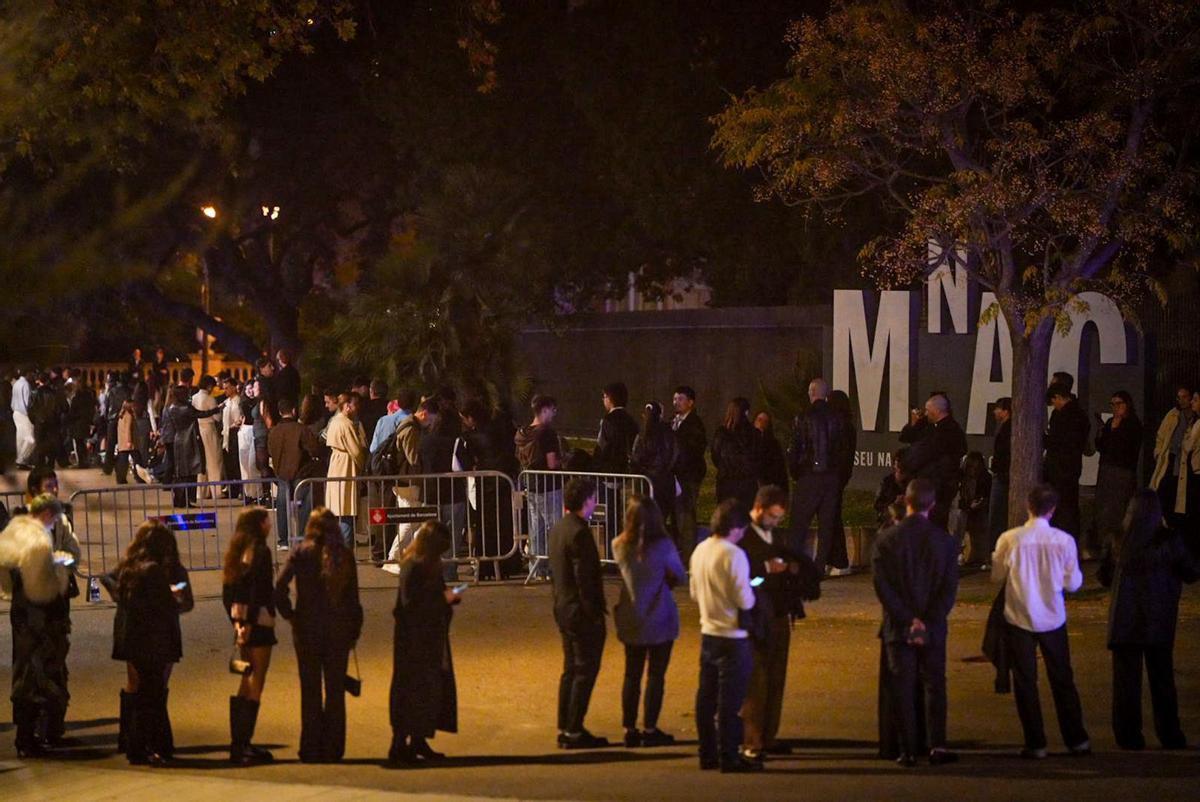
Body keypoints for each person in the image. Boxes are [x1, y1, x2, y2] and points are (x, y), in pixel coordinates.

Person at [991, 484, 1090, 759]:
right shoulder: (1064, 541)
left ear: (1028, 506)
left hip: (1019, 616)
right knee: (1062, 679)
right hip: (1053, 616)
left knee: (1025, 681)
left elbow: (997, 576)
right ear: (1053, 509)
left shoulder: (1010, 539)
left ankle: (1036, 743)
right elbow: (1073, 584)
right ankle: (1076, 739)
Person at [1098, 491, 1198, 750]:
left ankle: (1128, 735)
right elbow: (1191, 572)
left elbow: (1104, 577)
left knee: (1125, 683)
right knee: (1162, 679)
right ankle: (1169, 733)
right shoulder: (1169, 540)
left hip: (1124, 619)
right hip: (1158, 618)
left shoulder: (1117, 540)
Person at [872, 478, 960, 767]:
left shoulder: (886, 540)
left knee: (903, 686)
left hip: (898, 626)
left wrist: (907, 618)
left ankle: (907, 749)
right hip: (933, 625)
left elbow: (883, 587)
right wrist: (927, 620)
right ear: (931, 505)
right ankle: (937, 745)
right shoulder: (945, 542)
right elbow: (948, 589)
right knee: (934, 684)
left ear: (905, 502)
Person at [274, 508, 363, 762]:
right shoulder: (344, 555)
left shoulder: (301, 553)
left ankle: (311, 747)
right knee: (335, 691)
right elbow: (353, 598)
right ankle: (334, 748)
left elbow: (279, 588)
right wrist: (354, 630)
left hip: (307, 629)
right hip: (338, 631)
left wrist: (290, 615)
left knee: (310, 690)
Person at [110, 520, 193, 765]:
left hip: (135, 637)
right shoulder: (152, 570)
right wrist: (174, 597)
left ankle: (135, 741)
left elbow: (111, 581)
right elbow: (167, 605)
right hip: (155, 638)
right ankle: (149, 745)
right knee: (153, 692)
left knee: (144, 689)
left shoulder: (131, 567)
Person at [738, 485, 809, 762]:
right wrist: (767, 571)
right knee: (757, 679)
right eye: (773, 516)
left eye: (779, 517)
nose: (776, 522)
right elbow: (743, 577)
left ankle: (769, 735)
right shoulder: (743, 538)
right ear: (758, 508)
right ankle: (752, 740)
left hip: (779, 615)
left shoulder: (775, 535)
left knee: (776, 677)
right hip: (756, 617)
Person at [690, 499, 759, 773]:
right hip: (733, 635)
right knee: (730, 702)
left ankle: (707, 753)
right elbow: (745, 599)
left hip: (709, 632)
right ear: (735, 528)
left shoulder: (700, 550)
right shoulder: (733, 555)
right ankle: (729, 755)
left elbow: (695, 592)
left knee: (706, 698)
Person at [1, 498, 74, 757]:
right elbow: (41, 588)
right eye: (53, 518)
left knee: (24, 676)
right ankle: (30, 737)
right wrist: (59, 571)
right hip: (37, 618)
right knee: (36, 677)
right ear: (46, 514)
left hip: (22, 613)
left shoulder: (16, 533)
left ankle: (26, 735)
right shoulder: (38, 541)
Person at [612, 495, 686, 748]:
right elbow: (679, 575)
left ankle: (629, 727)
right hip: (659, 616)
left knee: (631, 674)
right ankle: (650, 727)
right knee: (656, 675)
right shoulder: (663, 546)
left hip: (632, 616)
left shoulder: (619, 545)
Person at [388, 520, 462, 764]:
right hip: (414, 639)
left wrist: (447, 598)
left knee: (426, 689)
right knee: (410, 689)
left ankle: (418, 739)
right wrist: (444, 600)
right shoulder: (412, 566)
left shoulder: (428, 564)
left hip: (429, 636)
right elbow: (410, 605)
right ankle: (400, 743)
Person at [550, 477, 608, 749]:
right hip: (579, 612)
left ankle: (566, 725)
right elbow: (585, 577)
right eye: (593, 498)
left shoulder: (560, 528)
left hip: (563, 607)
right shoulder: (580, 532)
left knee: (570, 669)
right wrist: (594, 612)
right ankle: (573, 727)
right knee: (584, 670)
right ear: (586, 501)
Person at [222, 507, 278, 765]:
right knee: (256, 682)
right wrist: (251, 623)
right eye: (266, 519)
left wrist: (236, 622)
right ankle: (244, 744)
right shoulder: (261, 551)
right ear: (259, 524)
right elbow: (258, 589)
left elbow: (229, 591)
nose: (270, 522)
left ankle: (238, 743)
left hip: (241, 623)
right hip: (258, 623)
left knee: (245, 679)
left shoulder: (237, 551)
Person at [788, 378, 850, 576]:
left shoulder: (802, 417)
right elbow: (842, 451)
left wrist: (796, 472)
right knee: (827, 525)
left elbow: (794, 450)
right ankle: (819, 566)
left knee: (799, 524)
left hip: (808, 476)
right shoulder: (838, 419)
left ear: (811, 392)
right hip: (831, 478)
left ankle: (793, 566)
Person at [900, 392, 967, 529]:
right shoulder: (931, 427)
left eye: (928, 410)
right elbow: (906, 437)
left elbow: (924, 453)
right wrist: (915, 423)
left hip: (939, 487)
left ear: (936, 410)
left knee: (935, 524)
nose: (925, 413)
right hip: (933, 484)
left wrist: (909, 463)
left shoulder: (948, 431)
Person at [1090, 391, 1143, 555]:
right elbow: (1102, 446)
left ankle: (1118, 546)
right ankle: (1104, 544)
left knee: (1118, 509)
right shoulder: (1111, 422)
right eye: (1113, 404)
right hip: (1107, 469)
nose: (1115, 407)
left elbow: (1125, 449)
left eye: (1119, 403)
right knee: (1104, 508)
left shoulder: (1133, 424)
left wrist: (1114, 430)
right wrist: (1106, 429)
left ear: (1127, 404)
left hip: (1122, 471)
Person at [516, 394, 562, 580]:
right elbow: (552, 463)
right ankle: (555, 568)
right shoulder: (547, 433)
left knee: (537, 530)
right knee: (555, 528)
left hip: (532, 485)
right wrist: (563, 460)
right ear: (544, 410)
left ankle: (537, 569)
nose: (554, 413)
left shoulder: (523, 433)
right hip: (549, 485)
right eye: (553, 409)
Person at [268, 397, 323, 546]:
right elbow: (315, 449)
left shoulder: (273, 432)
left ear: (280, 412)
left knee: (282, 507)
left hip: (281, 473)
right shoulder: (301, 429)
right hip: (301, 472)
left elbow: (269, 452)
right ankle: (301, 536)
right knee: (304, 505)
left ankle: (283, 540)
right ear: (293, 411)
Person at [1043, 382, 1089, 544]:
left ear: (1059, 398)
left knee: (1062, 511)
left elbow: (1059, 442)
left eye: (1053, 401)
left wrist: (1045, 439)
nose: (1053, 406)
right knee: (1068, 509)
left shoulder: (1067, 417)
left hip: (1061, 470)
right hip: (1069, 469)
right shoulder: (1079, 415)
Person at [325, 392, 368, 548]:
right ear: (348, 406)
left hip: (336, 464)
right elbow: (356, 451)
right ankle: (345, 550)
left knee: (340, 509)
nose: (357, 408)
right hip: (345, 466)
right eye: (355, 404)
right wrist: (362, 464)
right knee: (346, 509)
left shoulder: (335, 421)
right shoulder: (346, 423)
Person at [670, 386, 707, 565]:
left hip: (688, 476)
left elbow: (694, 450)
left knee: (686, 516)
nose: (676, 402)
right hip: (675, 475)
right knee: (677, 516)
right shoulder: (673, 421)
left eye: (681, 399)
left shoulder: (695, 424)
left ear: (691, 402)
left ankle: (688, 558)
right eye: (675, 399)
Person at [1150, 386, 1196, 528]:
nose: (1181, 401)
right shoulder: (1173, 415)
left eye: (1184, 397)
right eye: (1179, 397)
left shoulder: (1195, 419)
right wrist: (1158, 453)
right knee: (1165, 492)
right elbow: (1161, 436)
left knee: (1182, 498)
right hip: (1170, 460)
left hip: (1186, 464)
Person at [711, 397, 762, 512]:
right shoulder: (754, 434)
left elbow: (715, 456)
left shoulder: (722, 433)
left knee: (726, 519)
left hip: (726, 482)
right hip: (747, 484)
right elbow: (759, 458)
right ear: (747, 412)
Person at [827, 389, 857, 576]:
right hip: (839, 476)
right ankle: (836, 560)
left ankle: (839, 560)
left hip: (835, 476)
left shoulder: (841, 426)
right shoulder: (847, 425)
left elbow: (841, 455)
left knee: (832, 517)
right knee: (832, 516)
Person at [630, 401, 679, 513]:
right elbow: (674, 454)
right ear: (661, 415)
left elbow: (636, 457)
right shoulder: (668, 432)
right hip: (663, 482)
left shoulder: (642, 434)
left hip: (646, 482)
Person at [957, 452, 992, 569]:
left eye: (976, 468)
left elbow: (986, 497)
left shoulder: (985, 479)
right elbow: (958, 500)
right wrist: (968, 506)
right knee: (960, 517)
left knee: (981, 521)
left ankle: (979, 555)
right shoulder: (961, 479)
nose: (973, 471)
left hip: (979, 509)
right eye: (970, 467)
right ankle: (961, 553)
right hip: (965, 509)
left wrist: (978, 503)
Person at [987, 398, 1012, 552]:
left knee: (996, 515)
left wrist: (997, 468)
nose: (994, 411)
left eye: (997, 409)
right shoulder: (1005, 428)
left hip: (1002, 476)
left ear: (1005, 411)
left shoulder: (1007, 429)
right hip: (1003, 474)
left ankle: (995, 551)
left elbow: (1003, 454)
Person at [193, 376, 224, 499]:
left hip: (198, 429)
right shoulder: (210, 399)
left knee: (202, 462)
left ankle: (201, 492)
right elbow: (217, 418)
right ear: (209, 386)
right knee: (213, 460)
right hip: (209, 429)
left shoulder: (194, 398)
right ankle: (216, 491)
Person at [753, 411, 789, 492]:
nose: (761, 423)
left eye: (765, 421)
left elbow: (779, 470)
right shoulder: (748, 441)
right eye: (759, 420)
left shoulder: (773, 445)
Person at [12, 368, 35, 468]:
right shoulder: (26, 384)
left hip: (16, 412)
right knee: (31, 439)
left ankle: (20, 460)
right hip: (24, 413)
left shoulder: (16, 383)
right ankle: (22, 460)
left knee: (20, 438)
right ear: (28, 373)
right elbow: (27, 402)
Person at [359, 379, 390, 452]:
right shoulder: (390, 407)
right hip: (387, 446)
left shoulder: (364, 407)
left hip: (369, 447)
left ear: (371, 391)